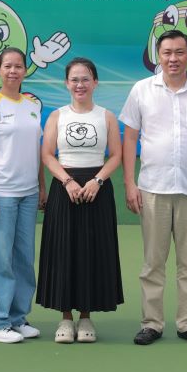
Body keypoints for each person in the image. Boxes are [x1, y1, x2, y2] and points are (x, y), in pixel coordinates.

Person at [122, 29, 187, 347]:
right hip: (152, 188)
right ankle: (151, 323)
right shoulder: (141, 90)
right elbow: (130, 138)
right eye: (167, 52)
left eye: (180, 52)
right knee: (153, 261)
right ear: (158, 55)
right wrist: (129, 183)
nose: (173, 58)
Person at [37, 57, 124, 343]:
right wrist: (67, 181)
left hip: (96, 190)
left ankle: (86, 317)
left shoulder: (107, 116)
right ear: (66, 84)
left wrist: (97, 181)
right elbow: (48, 154)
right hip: (66, 188)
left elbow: (116, 156)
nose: (80, 84)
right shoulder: (57, 116)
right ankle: (65, 319)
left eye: (85, 79)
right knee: (63, 251)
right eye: (74, 79)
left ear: (95, 82)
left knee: (91, 252)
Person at [0, 48, 46, 343]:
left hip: (28, 194)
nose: (13, 71)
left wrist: (42, 186)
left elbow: (36, 151)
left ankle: (18, 318)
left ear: (24, 70)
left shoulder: (32, 106)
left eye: (18, 66)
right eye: (8, 66)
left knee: (24, 258)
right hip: (1, 194)